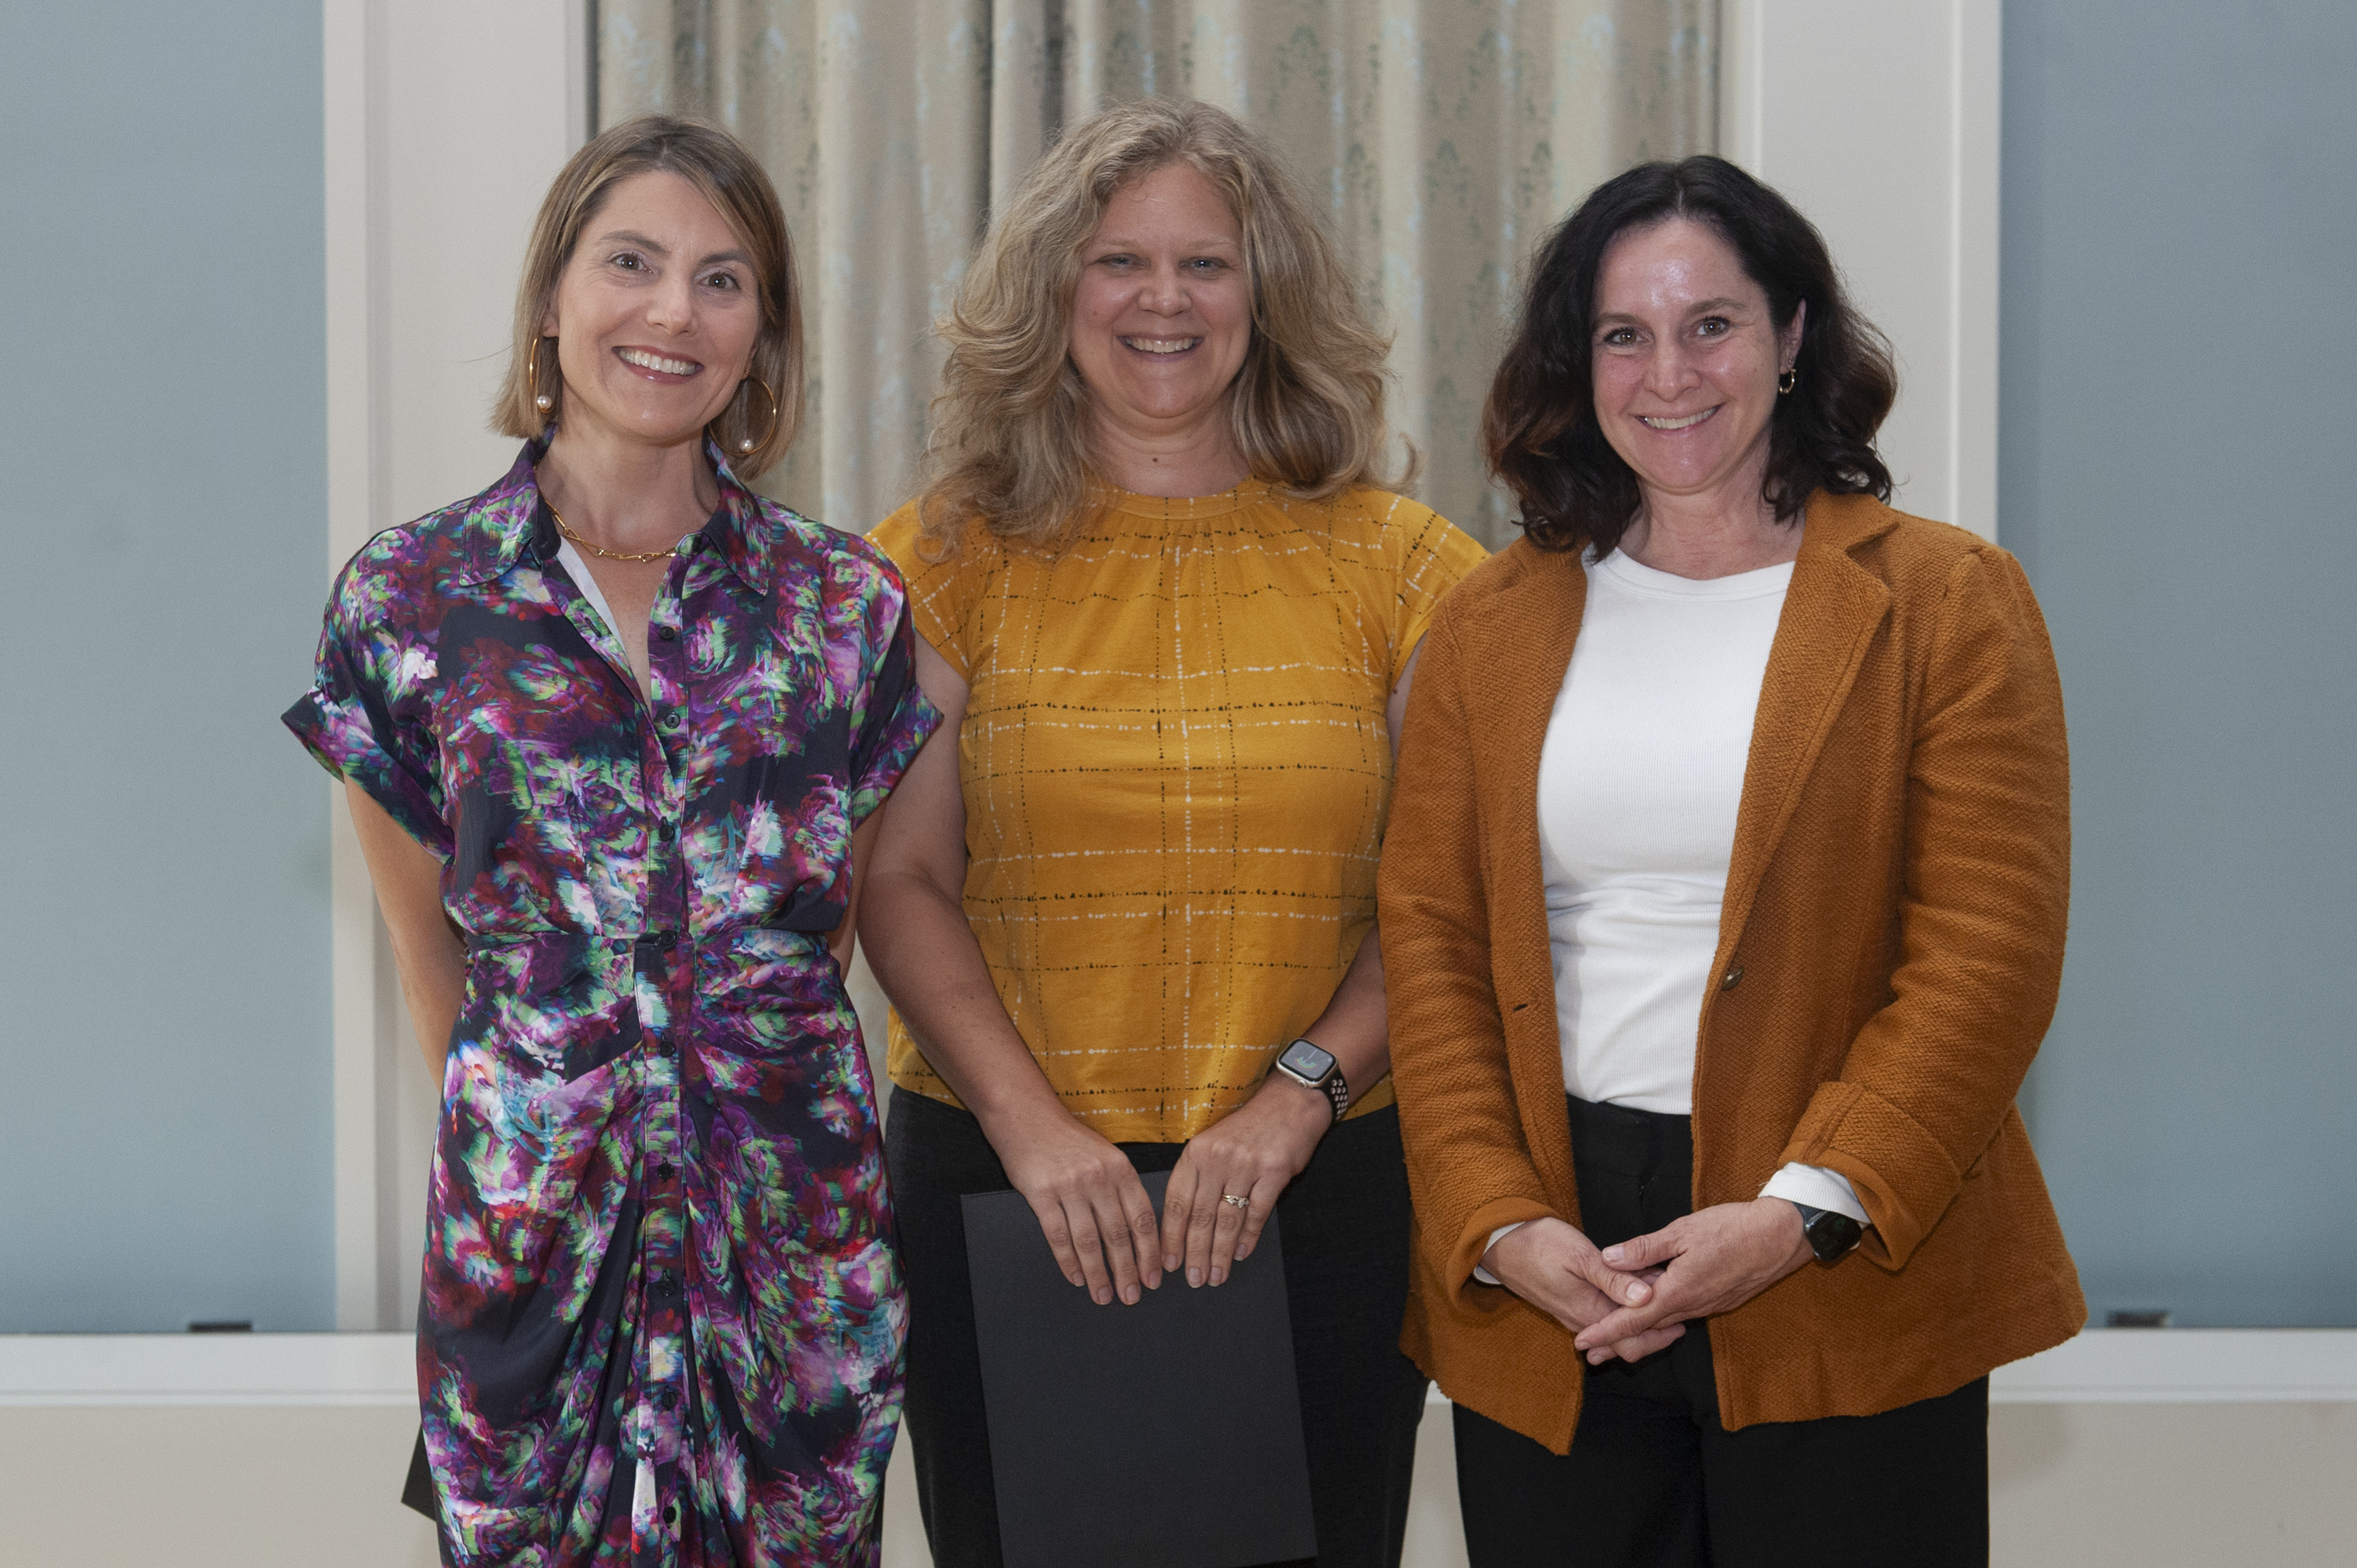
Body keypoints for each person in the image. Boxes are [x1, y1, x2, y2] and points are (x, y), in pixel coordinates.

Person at [1379, 153, 2085, 1566]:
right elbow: (1434, 944)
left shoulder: (1945, 598)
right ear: (1578, 364)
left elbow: (1988, 957)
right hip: (1553, 1269)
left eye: (1713, 323)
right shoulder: (1487, 623)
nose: (1670, 373)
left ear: (1793, 336)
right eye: (1623, 335)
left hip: (1837, 1250)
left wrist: (1801, 1212)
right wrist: (1497, 1217)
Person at [283, 116, 937, 1565]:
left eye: (723, 280)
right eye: (630, 262)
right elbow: (429, 959)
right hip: (527, 1274)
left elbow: (814, 947)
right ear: (554, 298)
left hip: (791, 1277)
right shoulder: (412, 598)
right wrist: (545, 1153)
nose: (671, 312)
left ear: (764, 334)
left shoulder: (845, 606)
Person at [858, 97, 1486, 1567]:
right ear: (1050, 293)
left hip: (1317, 1187)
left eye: (1206, 264)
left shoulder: (1403, 565)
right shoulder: (938, 554)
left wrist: (1299, 1095)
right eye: (1118, 260)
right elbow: (899, 875)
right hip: (1006, 1188)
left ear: (1265, 295)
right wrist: (1039, 1135)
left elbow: (1449, 895)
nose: (1162, 300)